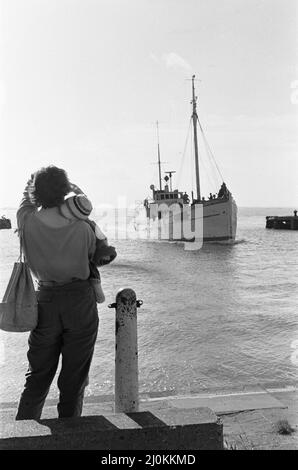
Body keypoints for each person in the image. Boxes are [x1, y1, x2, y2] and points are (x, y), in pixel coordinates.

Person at [15, 166, 102, 420]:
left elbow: (25, 200)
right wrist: (75, 191)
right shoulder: (83, 227)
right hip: (79, 300)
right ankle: (70, 438)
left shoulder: (26, 220)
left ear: (35, 193)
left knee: (37, 377)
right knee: (74, 380)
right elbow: (93, 255)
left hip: (45, 300)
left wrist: (31, 182)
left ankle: (24, 438)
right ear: (66, 191)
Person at [59, 189, 117, 303]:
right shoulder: (90, 224)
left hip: (66, 276)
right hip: (87, 263)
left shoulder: (65, 223)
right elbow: (102, 239)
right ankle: (98, 292)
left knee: (91, 271)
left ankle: (98, 292)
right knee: (92, 273)